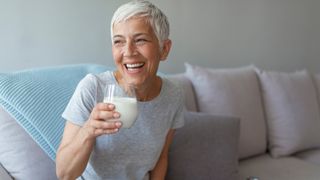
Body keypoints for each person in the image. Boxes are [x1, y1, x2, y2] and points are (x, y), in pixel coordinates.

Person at [55, 0, 185, 179]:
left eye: (140, 40)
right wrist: (88, 130)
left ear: (164, 49)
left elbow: (161, 158)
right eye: (119, 41)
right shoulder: (93, 88)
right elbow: (64, 174)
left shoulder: (173, 95)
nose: (129, 51)